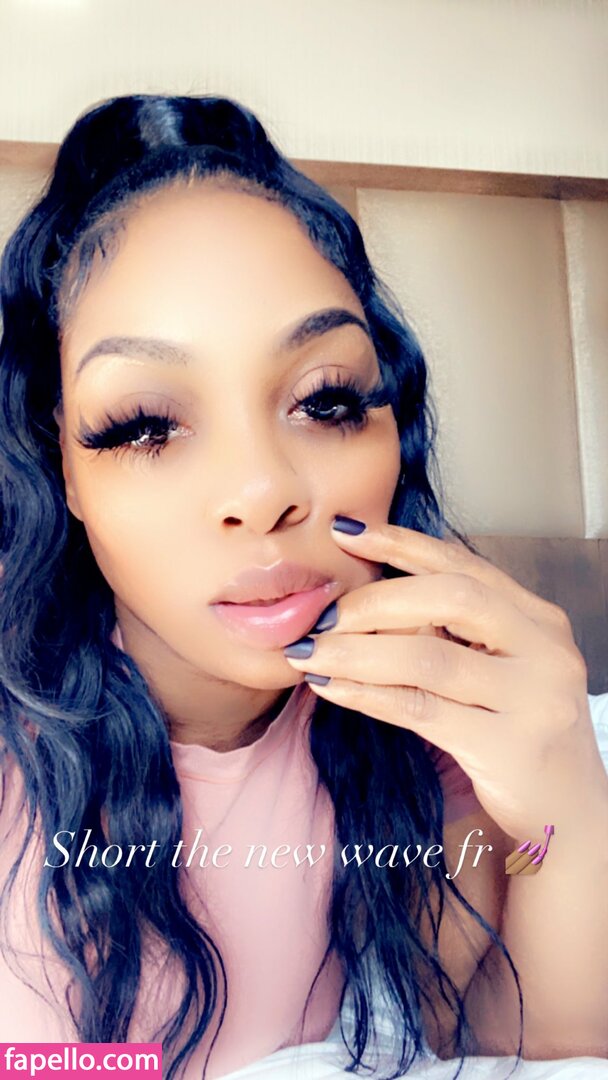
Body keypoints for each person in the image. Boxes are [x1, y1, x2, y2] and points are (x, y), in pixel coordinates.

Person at [0, 94, 606, 1080]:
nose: (262, 491)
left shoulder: (404, 725)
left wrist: (568, 812)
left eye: (325, 401)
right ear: (58, 462)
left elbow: (519, 1043)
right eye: (145, 424)